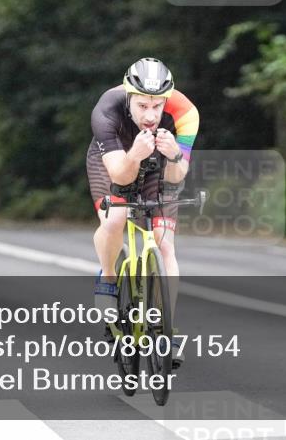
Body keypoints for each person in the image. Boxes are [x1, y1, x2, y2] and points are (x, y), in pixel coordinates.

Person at [87, 58, 198, 364]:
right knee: (116, 217)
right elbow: (120, 177)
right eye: (142, 106)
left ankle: (166, 329)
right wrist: (134, 155)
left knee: (165, 243)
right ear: (129, 97)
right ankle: (108, 277)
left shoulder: (186, 113)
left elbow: (177, 177)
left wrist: (174, 155)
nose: (150, 116)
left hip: (158, 165)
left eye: (157, 106)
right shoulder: (107, 110)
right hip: (114, 161)